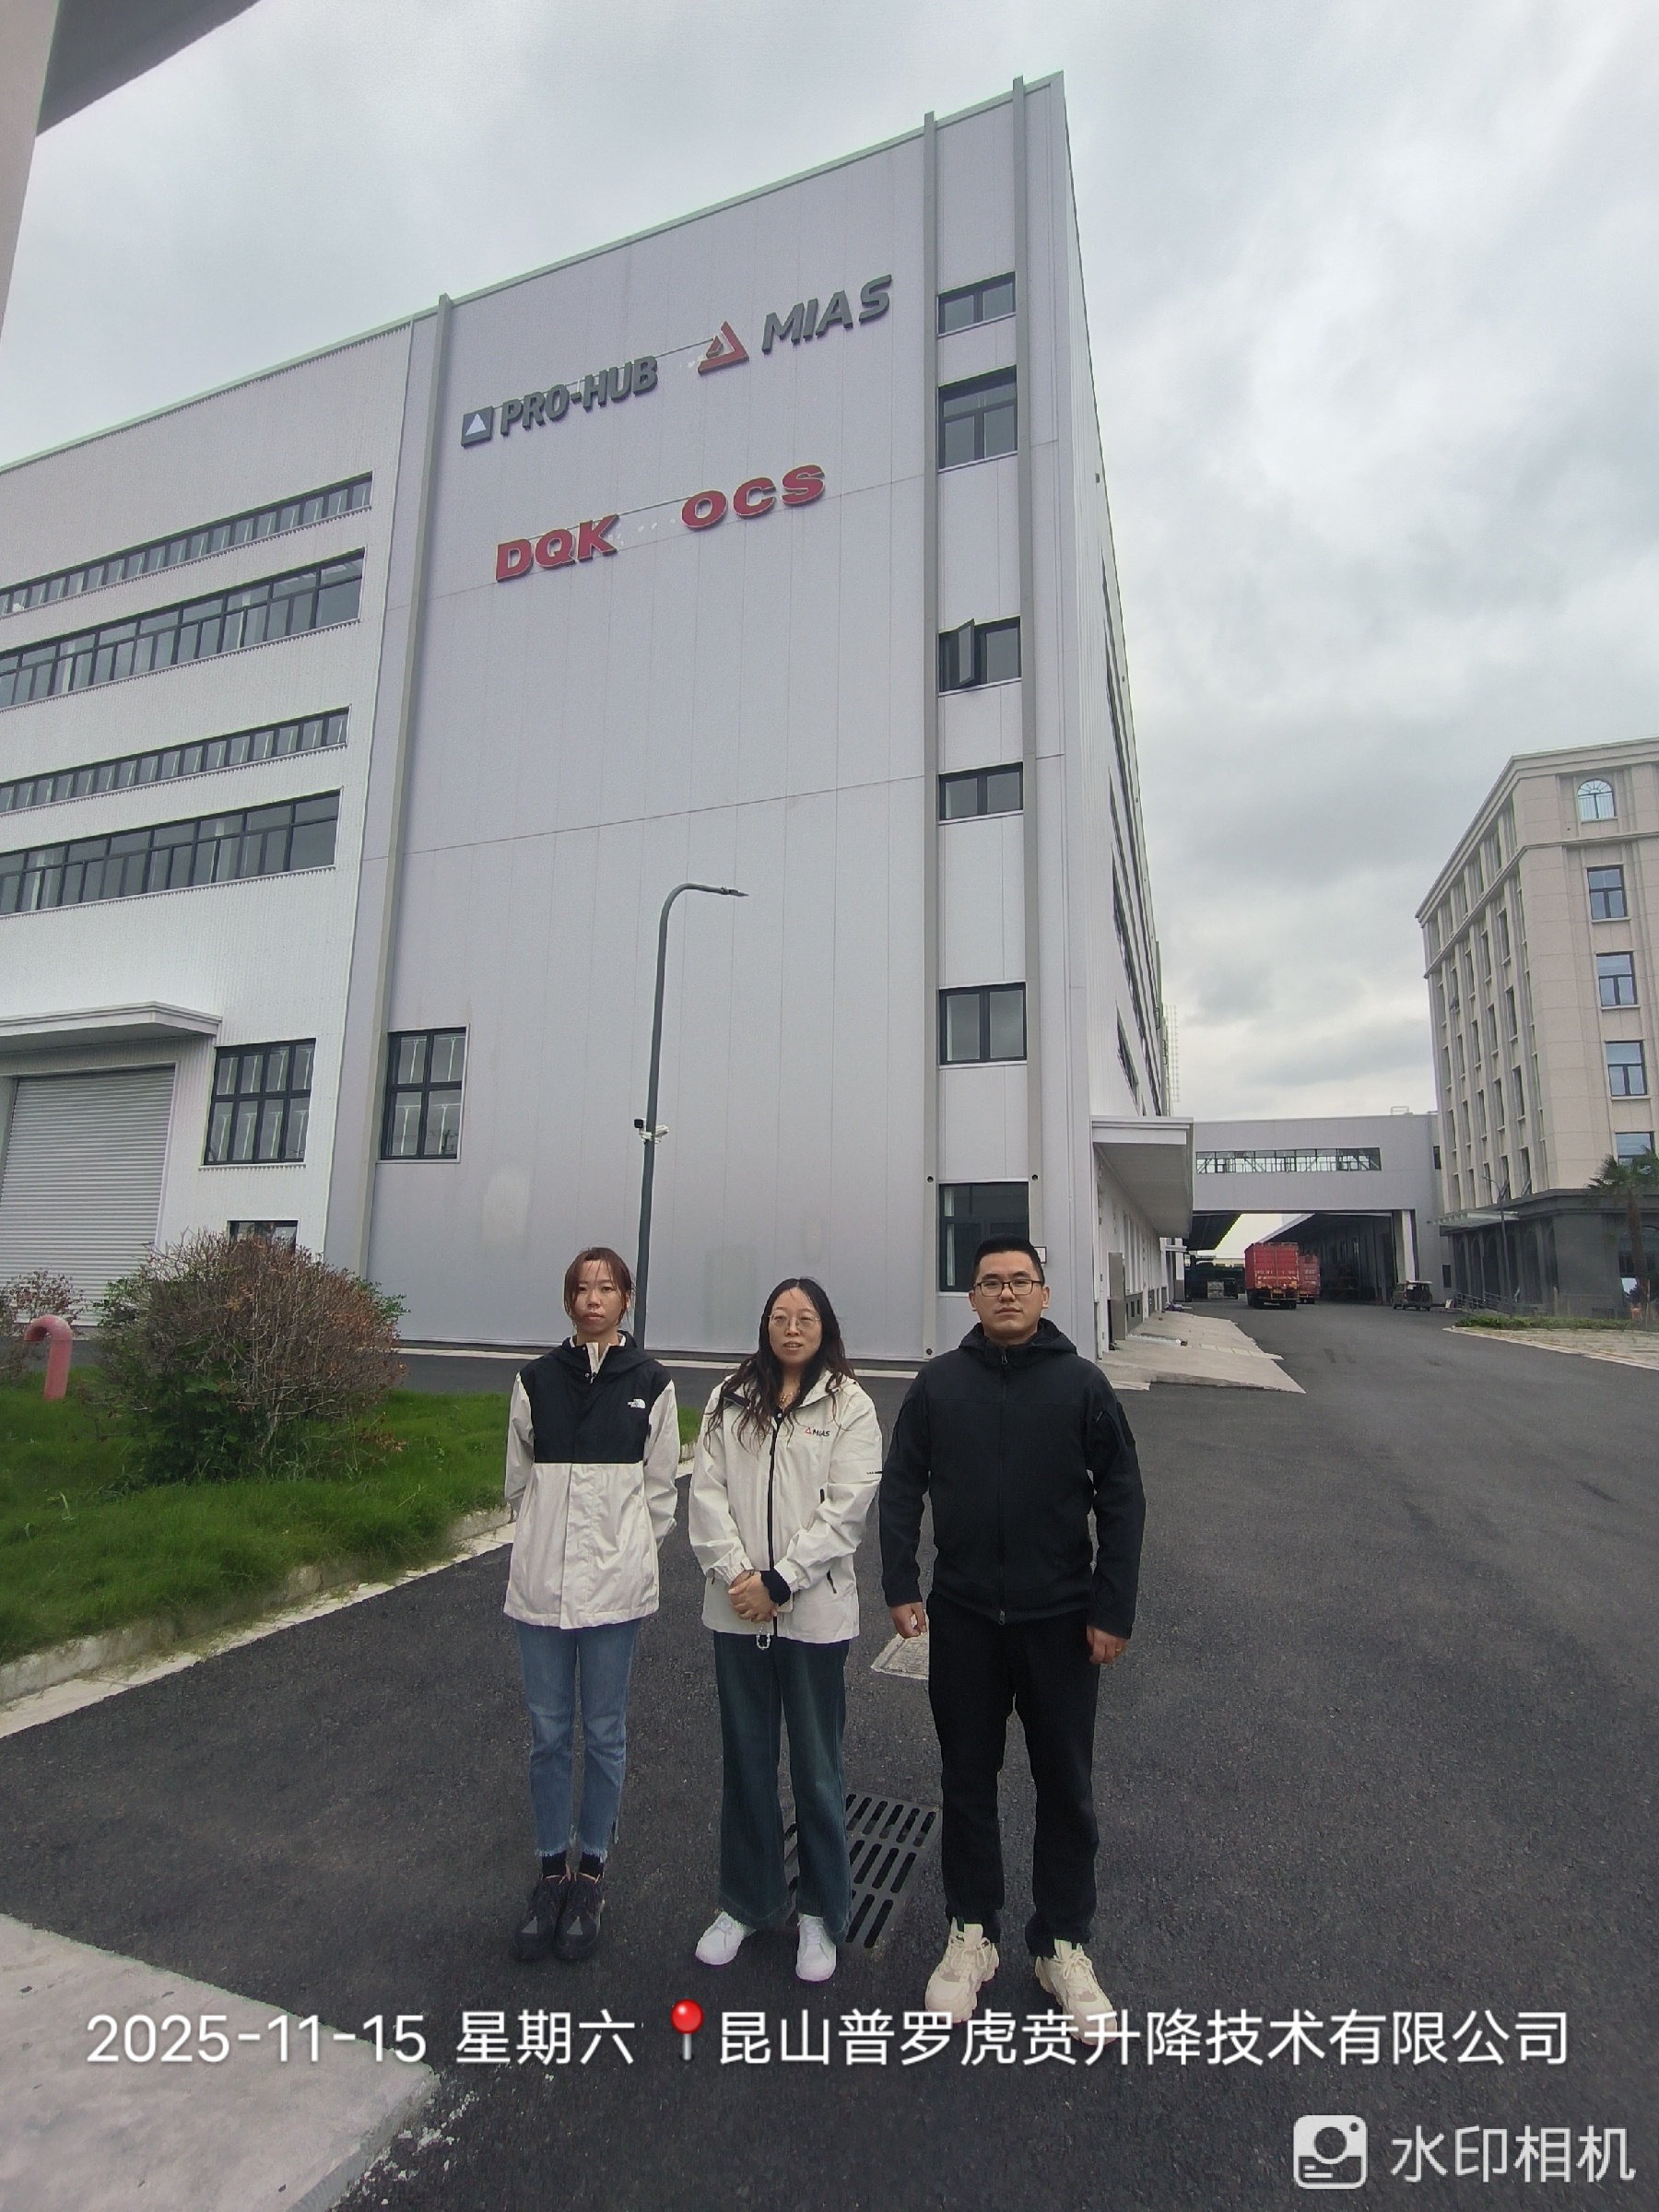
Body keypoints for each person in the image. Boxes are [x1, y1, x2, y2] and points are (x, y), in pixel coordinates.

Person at [879, 1236, 1145, 2037]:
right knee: (967, 1780)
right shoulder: (939, 1384)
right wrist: (901, 1583)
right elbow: (902, 1484)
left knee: (1066, 1785)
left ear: (1044, 1293)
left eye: (1020, 1281)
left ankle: (1062, 1942)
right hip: (964, 1619)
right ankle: (972, 1933)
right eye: (991, 1282)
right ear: (971, 1298)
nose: (1006, 1293)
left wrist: (1112, 1609)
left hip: (1060, 1621)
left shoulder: (1082, 1385)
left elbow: (1123, 1497)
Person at [688, 1277, 882, 1983]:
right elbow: (706, 1493)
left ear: (825, 1327)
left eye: (805, 1318)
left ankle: (820, 1914)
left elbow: (846, 1509)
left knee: (817, 1769)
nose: (791, 1328)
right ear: (764, 1326)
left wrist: (781, 1581)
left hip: (813, 1613)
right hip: (736, 1610)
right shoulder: (729, 1398)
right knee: (745, 1761)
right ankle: (746, 1902)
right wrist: (740, 1576)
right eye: (779, 1317)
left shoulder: (849, 1404)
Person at [502, 1246, 679, 1963]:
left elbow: (661, 1491)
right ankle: (552, 1872)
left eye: (607, 1287)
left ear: (626, 1299)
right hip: (541, 1587)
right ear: (568, 1300)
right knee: (548, 1733)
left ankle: (593, 1874)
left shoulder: (651, 1382)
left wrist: (628, 1552)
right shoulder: (535, 1380)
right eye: (582, 1288)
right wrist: (542, 1543)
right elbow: (518, 1483)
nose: (594, 1298)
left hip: (614, 1590)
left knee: (604, 1731)